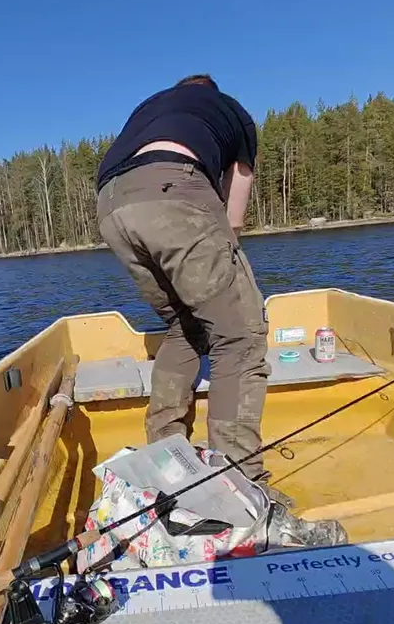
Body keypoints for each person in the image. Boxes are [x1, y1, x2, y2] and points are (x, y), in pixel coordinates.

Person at [94, 74, 291, 508]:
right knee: (239, 335)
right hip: (173, 185)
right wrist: (225, 269)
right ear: (211, 93)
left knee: (186, 326)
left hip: (110, 203)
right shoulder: (232, 112)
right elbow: (233, 211)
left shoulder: (151, 107)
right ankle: (240, 483)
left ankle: (165, 457)